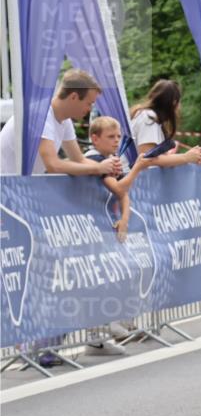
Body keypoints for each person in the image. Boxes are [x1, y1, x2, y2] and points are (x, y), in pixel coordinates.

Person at [0, 69, 122, 368]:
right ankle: (30, 338)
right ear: (71, 96)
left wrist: (106, 166)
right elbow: (54, 164)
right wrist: (98, 168)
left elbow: (79, 159)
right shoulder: (41, 116)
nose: (88, 111)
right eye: (87, 103)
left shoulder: (64, 120)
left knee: (54, 269)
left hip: (27, 200)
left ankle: (43, 342)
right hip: (11, 200)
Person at [82, 116, 153, 355]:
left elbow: (124, 193)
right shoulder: (94, 159)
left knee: (118, 274)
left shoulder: (109, 161)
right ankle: (97, 335)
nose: (115, 142)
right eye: (110, 137)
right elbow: (121, 187)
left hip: (109, 224)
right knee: (98, 280)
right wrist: (138, 168)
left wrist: (124, 219)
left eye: (118, 137)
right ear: (95, 138)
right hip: (93, 227)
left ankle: (112, 323)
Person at [130, 79, 201, 168]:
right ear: (174, 102)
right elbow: (146, 158)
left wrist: (195, 155)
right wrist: (185, 157)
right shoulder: (148, 118)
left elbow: (158, 159)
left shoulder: (152, 118)